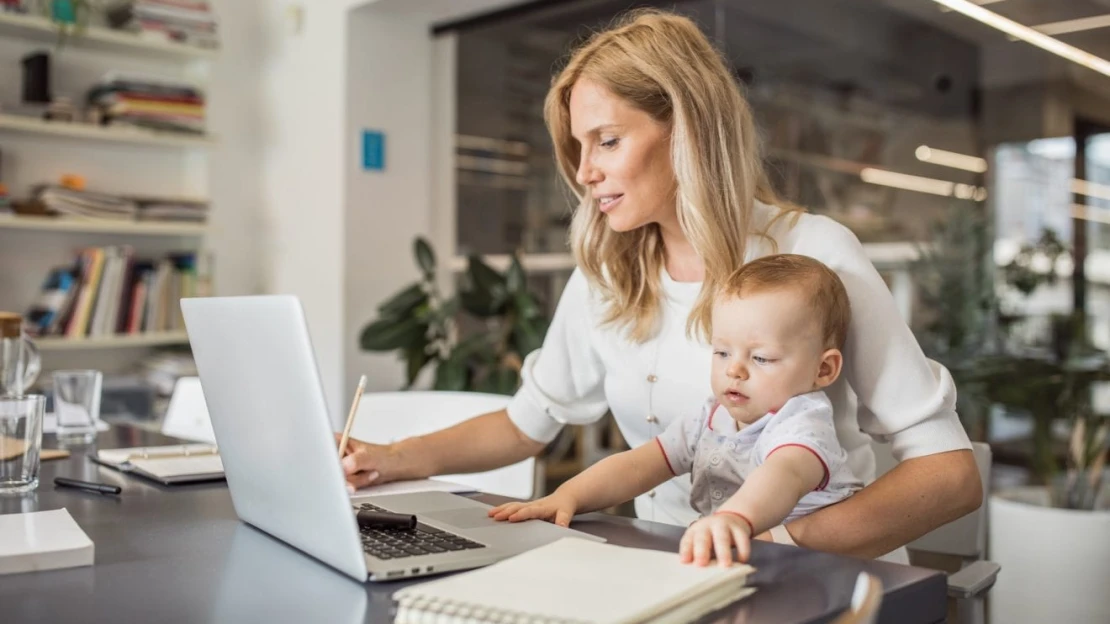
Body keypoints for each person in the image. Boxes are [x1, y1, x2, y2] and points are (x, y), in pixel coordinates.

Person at [339, 8, 982, 561]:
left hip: (813, 577)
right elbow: (527, 423)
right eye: (578, 148)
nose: (585, 172)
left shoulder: (812, 256)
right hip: (671, 568)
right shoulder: (608, 274)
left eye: (608, 141)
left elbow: (948, 476)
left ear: (686, 131)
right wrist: (391, 458)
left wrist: (780, 545)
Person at [489, 254, 864, 567]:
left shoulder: (802, 422)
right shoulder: (710, 416)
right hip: (748, 561)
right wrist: (567, 497)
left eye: (761, 357)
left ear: (824, 369)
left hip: (814, 571)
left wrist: (735, 518)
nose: (734, 369)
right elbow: (639, 465)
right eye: (722, 352)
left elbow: (782, 476)